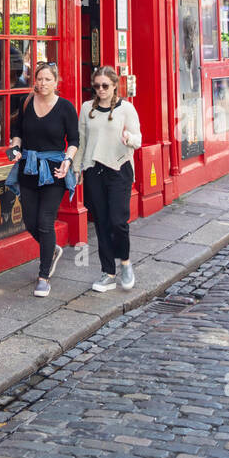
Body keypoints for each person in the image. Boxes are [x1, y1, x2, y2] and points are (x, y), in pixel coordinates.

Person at [5, 62, 79, 298]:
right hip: (29, 168)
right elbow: (17, 133)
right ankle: (52, 249)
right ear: (34, 80)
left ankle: (43, 276)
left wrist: (68, 161)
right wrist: (14, 150)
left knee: (46, 222)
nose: (43, 83)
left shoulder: (66, 108)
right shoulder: (26, 103)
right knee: (29, 221)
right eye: (39, 79)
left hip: (55, 170)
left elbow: (75, 140)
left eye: (48, 79)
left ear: (56, 82)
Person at [75, 65, 142, 293]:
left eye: (105, 86)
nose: (101, 90)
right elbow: (81, 141)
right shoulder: (86, 109)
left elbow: (138, 140)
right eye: (97, 86)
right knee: (102, 223)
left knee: (118, 222)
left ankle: (125, 262)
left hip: (119, 169)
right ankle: (108, 273)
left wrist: (129, 138)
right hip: (94, 170)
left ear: (115, 85)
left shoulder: (127, 109)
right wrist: (77, 169)